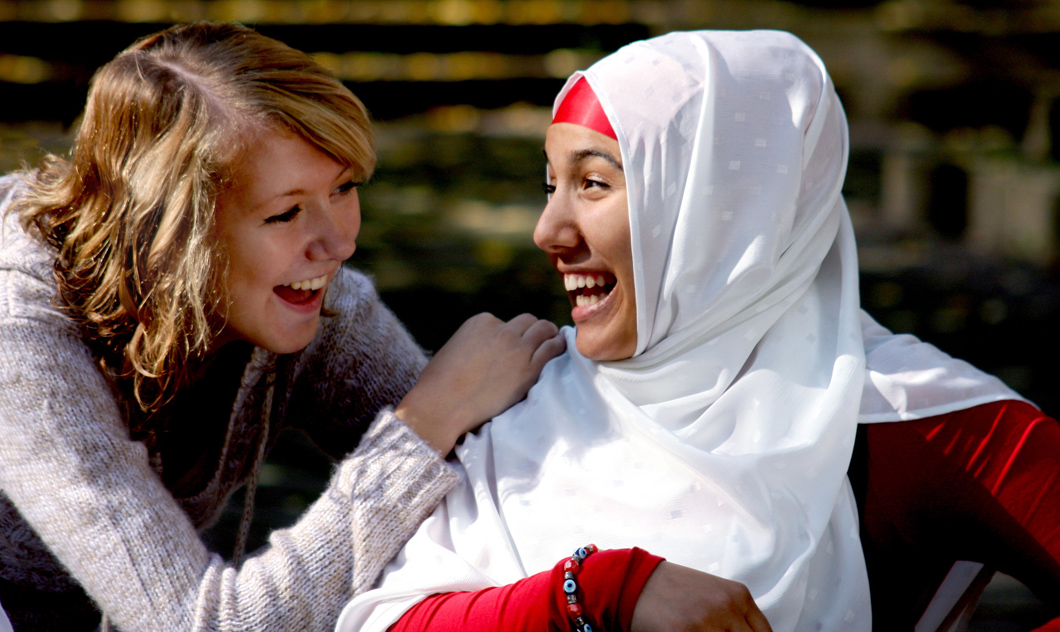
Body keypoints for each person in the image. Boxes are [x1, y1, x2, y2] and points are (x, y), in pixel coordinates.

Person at [334, 30, 1060, 632]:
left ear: (721, 209)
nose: (547, 230)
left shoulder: (901, 417)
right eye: (548, 183)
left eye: (593, 183)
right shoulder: (526, 395)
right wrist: (598, 591)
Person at [0, 22, 565, 632]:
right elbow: (204, 624)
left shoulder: (307, 295)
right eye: (286, 211)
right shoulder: (7, 332)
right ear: (173, 232)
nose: (337, 242)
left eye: (344, 188)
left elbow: (490, 479)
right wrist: (423, 426)